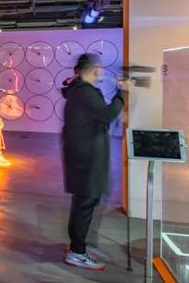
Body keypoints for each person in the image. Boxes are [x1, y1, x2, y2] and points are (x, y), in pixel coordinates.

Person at [61, 54, 130, 270]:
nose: (102, 71)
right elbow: (108, 114)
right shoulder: (86, 93)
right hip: (86, 158)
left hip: (82, 156)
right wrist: (121, 92)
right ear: (94, 70)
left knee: (83, 203)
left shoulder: (79, 91)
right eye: (100, 67)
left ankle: (78, 245)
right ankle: (77, 253)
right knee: (85, 203)